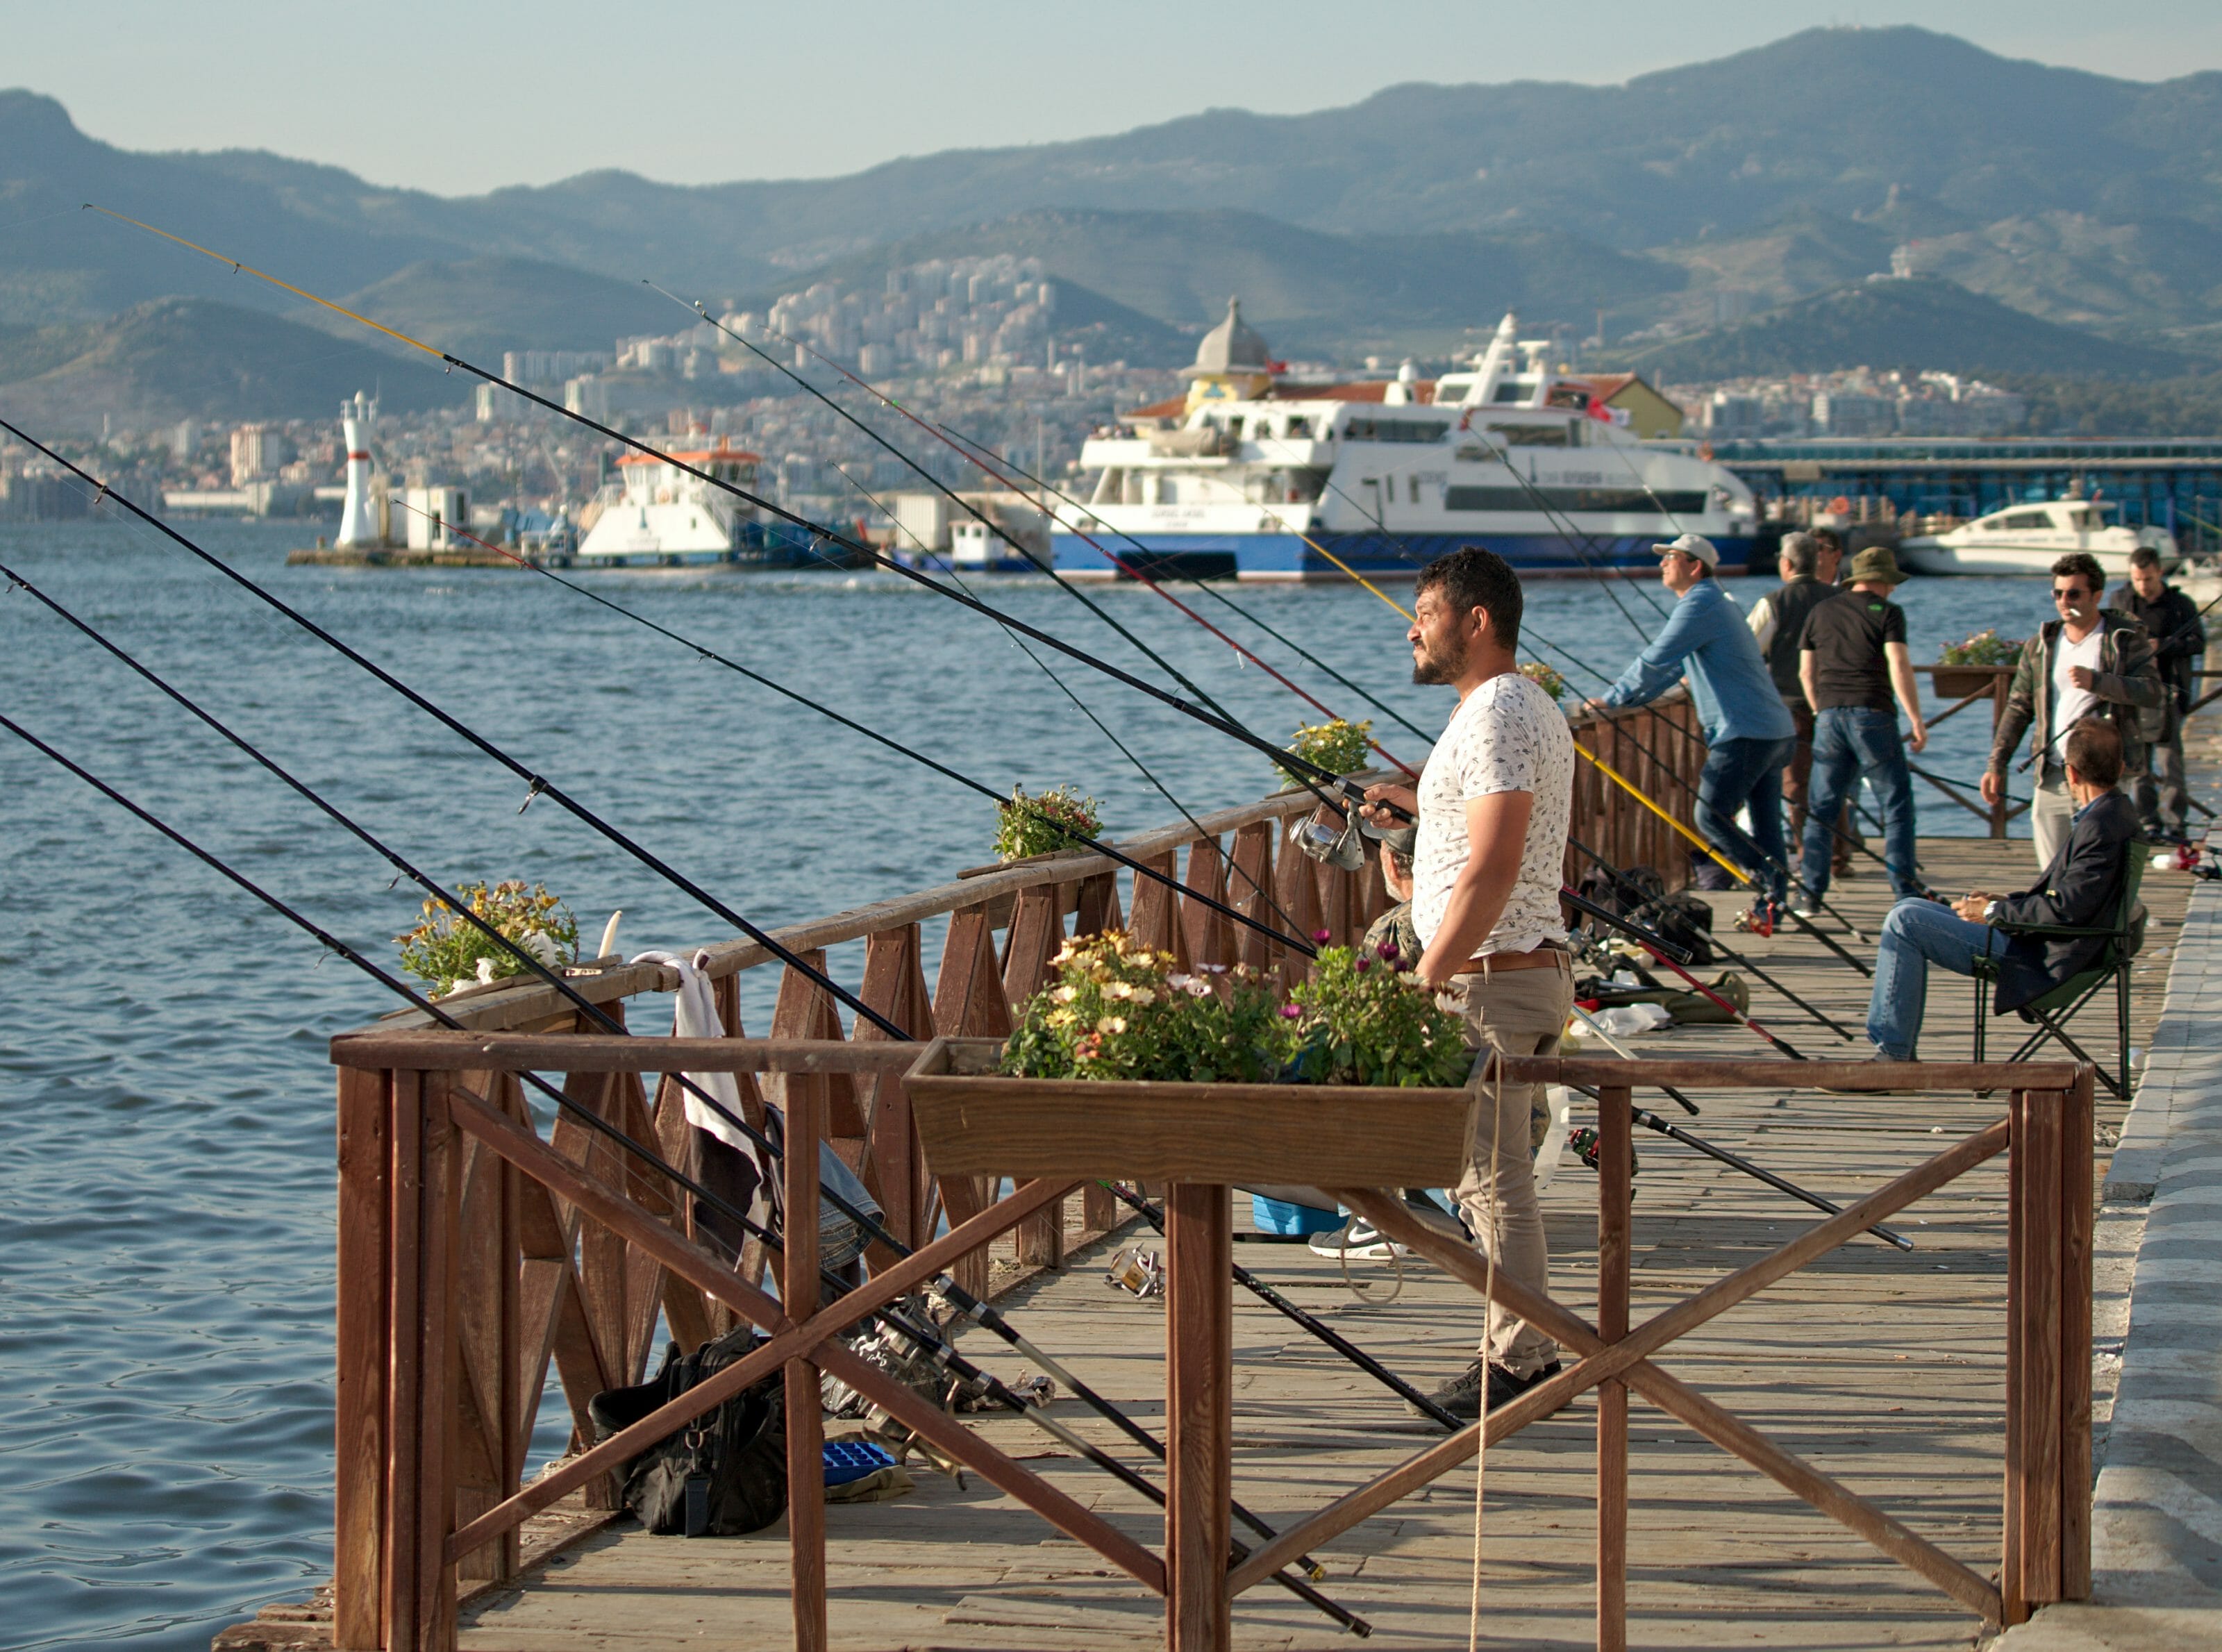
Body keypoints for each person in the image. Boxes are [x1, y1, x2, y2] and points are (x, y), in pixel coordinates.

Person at [1357, 545, 1574, 1423]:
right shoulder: (1513, 709)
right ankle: (1518, 1347)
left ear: (1474, 621)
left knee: (1491, 1179)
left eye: (1425, 611)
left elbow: (1493, 865)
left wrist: (1426, 975)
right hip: (1518, 968)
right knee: (1488, 1174)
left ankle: (1520, 1360)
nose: (1411, 627)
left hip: (1490, 977)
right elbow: (1483, 833)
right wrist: (1413, 811)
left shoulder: (1494, 714)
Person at [1849, 719, 2137, 1068]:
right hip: (2055, 938)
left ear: (2071, 774)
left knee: (1905, 922)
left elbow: (2066, 910)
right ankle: (1894, 1052)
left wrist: (1990, 913)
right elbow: (2071, 900)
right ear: (2120, 767)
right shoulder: (2114, 813)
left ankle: (1892, 1056)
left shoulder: (2099, 827)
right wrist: (2004, 901)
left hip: (2048, 953)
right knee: (1909, 904)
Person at [1581, 532, 1796, 919]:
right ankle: (1774, 907)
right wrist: (1633, 698)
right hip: (1774, 729)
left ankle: (1764, 876)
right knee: (1767, 827)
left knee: (1709, 815)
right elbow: (1675, 668)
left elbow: (1656, 658)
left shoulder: (1700, 603)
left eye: (1672, 557)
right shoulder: (1716, 602)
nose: (1663, 563)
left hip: (1744, 731)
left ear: (1694, 567)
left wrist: (1613, 699)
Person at [1983, 553, 2161, 868]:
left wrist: (2100, 682)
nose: (2064, 601)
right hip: (2053, 771)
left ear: (2097, 596)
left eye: (2074, 594)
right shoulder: (2041, 644)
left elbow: (2151, 692)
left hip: (2104, 775)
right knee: (2053, 874)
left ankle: (2130, 918)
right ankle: (2055, 919)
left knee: (2104, 871)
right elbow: (2018, 706)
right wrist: (1997, 763)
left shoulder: (2123, 638)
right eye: (2058, 593)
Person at [1794, 545, 1929, 910]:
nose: (1894, 590)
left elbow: (1806, 671)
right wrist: (1916, 719)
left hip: (1829, 717)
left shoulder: (1820, 611)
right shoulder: (1888, 613)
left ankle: (1811, 893)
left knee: (1821, 808)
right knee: (1896, 805)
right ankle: (1905, 891)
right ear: (1882, 581)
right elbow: (1898, 664)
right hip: (1873, 714)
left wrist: (1819, 709)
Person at [1747, 531, 1853, 883]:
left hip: (1790, 704)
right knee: (1833, 780)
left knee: (1796, 786)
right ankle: (1838, 857)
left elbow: (1748, 651)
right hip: (1836, 701)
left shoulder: (1775, 602)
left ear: (1787, 563)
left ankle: (1810, 859)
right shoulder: (1841, 598)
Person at [2109, 546, 2205, 841]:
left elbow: (2198, 642)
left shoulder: (2179, 604)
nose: (2142, 585)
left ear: (2160, 573)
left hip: (2169, 694)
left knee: (2171, 763)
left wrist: (2162, 645)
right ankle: (2148, 822)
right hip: (2132, 695)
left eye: (2148, 579)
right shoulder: (2120, 601)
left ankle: (2176, 823)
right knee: (2138, 766)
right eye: (2137, 579)